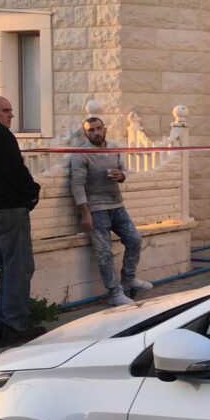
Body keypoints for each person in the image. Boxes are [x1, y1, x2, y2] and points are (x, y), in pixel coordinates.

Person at [70, 117, 154, 307]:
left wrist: (121, 175)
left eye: (98, 128)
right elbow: (77, 184)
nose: (96, 133)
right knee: (104, 252)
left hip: (116, 204)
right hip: (96, 209)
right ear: (85, 134)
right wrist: (85, 213)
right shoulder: (80, 154)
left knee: (134, 240)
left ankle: (128, 279)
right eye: (91, 130)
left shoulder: (114, 147)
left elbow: (124, 170)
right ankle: (115, 293)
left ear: (105, 129)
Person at [0, 96, 44, 344]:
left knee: (8, 267)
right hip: (8, 210)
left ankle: (1, 325)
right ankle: (14, 325)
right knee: (19, 267)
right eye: (5, 110)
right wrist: (32, 192)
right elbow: (15, 171)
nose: (11, 115)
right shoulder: (1, 135)